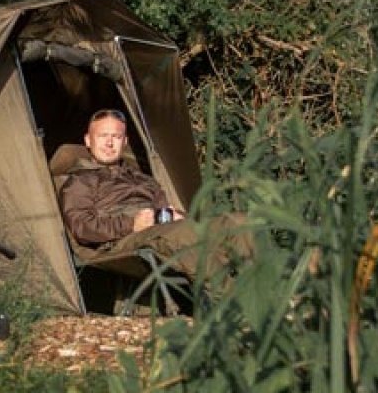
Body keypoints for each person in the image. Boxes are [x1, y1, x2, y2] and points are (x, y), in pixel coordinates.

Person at [55, 108, 243, 280]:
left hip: (161, 229)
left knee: (238, 223)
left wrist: (178, 216)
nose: (110, 143)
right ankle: (234, 305)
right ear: (88, 140)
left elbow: (164, 210)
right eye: (103, 136)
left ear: (125, 142)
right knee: (182, 234)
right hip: (122, 240)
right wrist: (131, 225)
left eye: (116, 137)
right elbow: (81, 227)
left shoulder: (143, 179)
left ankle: (263, 293)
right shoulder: (80, 181)